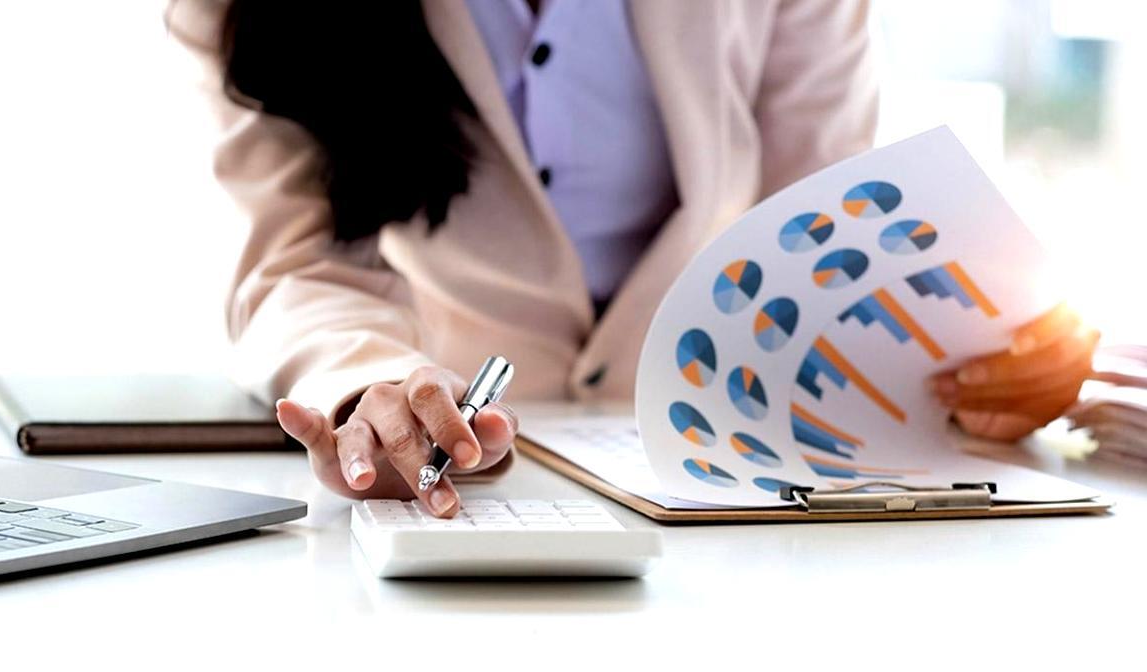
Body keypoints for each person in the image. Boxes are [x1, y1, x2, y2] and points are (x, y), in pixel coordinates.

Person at [166, 0, 1098, 517]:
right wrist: (376, 388)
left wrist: (991, 358)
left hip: (726, 460)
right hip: (474, 466)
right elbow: (297, 265)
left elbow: (831, 223)